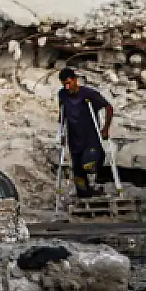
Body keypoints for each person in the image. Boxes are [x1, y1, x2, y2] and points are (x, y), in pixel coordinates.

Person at [57, 67, 113, 199]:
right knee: (78, 174)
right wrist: (61, 134)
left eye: (69, 83)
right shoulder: (62, 94)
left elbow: (109, 107)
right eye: (64, 84)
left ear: (76, 80)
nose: (67, 87)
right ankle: (85, 195)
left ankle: (100, 177)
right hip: (74, 139)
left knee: (88, 164)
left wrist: (105, 128)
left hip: (90, 138)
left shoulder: (88, 94)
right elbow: (61, 114)